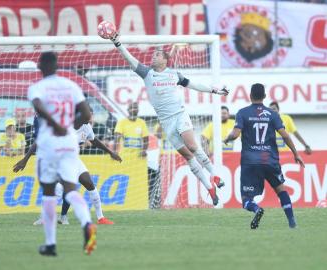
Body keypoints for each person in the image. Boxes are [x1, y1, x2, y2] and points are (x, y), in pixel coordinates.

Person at [109, 33, 229, 205]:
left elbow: (194, 85)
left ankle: (214, 174)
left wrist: (215, 90)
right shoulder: (147, 73)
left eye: (157, 55)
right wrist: (117, 42)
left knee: (193, 145)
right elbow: (129, 58)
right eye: (153, 55)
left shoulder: (174, 74)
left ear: (165, 60)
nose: (153, 57)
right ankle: (209, 187)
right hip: (166, 123)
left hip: (180, 115)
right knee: (188, 156)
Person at [27, 51, 95, 256]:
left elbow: (38, 105)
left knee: (49, 194)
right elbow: (87, 113)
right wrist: (68, 125)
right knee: (71, 190)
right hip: (69, 141)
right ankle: (87, 223)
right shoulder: (71, 86)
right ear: (57, 66)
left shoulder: (37, 88)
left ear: (40, 67)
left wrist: (55, 123)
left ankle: (50, 244)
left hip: (49, 144)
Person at [13, 114, 122, 226]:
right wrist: (25, 160)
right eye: (88, 113)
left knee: (89, 183)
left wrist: (111, 153)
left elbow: (94, 141)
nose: (90, 116)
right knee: (59, 189)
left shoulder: (86, 127)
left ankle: (101, 218)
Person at [224, 83, 305, 229]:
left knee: (246, 198)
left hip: (250, 162)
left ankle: (256, 209)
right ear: (265, 97)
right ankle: (292, 222)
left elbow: (235, 134)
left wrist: (228, 138)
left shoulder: (242, 112)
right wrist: (296, 154)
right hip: (269, 159)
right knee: (281, 190)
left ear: (250, 95)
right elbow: (285, 135)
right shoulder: (273, 114)